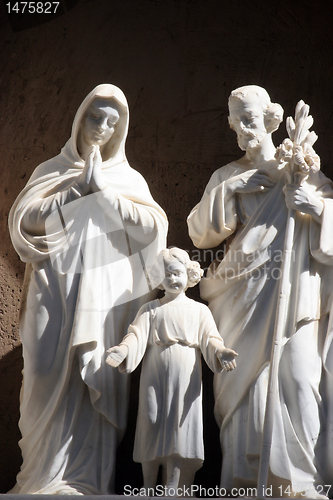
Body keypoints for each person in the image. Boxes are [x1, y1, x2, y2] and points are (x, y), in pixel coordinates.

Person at [8, 84, 168, 495]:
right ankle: (38, 478)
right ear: (80, 118)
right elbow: (24, 223)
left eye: (113, 122)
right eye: (96, 116)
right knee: (42, 374)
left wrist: (107, 194)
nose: (102, 127)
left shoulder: (127, 179)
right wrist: (78, 188)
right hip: (52, 290)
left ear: (122, 129)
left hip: (103, 303)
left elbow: (155, 229)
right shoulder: (51, 171)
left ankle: (84, 480)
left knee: (92, 375)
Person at [187, 85, 333, 498]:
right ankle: (247, 481)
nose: (243, 130)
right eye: (236, 121)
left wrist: (317, 207)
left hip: (295, 291)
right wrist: (234, 188)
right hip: (242, 296)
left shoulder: (300, 168)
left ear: (270, 120)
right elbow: (201, 234)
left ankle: (303, 482)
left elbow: (328, 219)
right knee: (246, 388)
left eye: (250, 119)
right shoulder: (227, 175)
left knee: (301, 377)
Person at [106, 247, 238, 496]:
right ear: (159, 278)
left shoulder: (199, 311)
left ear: (188, 274)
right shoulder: (150, 309)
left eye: (177, 273)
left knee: (180, 424)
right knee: (151, 420)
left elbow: (211, 338)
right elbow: (135, 336)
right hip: (155, 375)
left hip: (185, 376)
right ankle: (147, 485)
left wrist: (221, 352)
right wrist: (123, 351)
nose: (173, 280)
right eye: (167, 275)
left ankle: (174, 485)